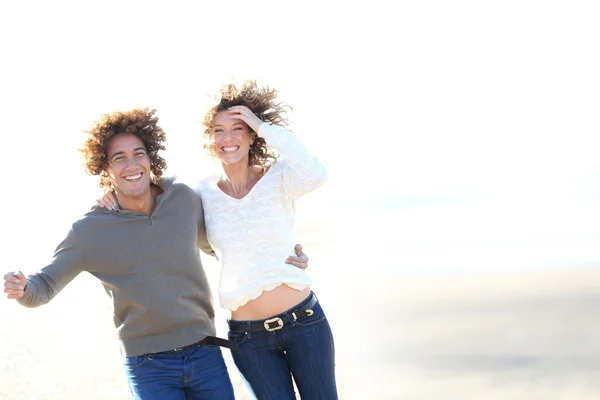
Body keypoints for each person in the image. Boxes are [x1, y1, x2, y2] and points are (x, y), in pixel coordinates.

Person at [3, 107, 309, 400]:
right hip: (148, 366)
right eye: (119, 158)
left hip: (206, 353)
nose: (131, 165)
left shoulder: (184, 200)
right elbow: (42, 287)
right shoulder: (90, 230)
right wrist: (23, 288)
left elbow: (226, 244)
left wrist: (283, 255)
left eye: (138, 154)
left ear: (151, 158)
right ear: (105, 167)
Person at [198, 80, 337, 399]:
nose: (228, 138)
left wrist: (263, 125)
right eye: (219, 130)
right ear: (210, 138)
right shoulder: (202, 194)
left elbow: (317, 173)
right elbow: (169, 218)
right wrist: (110, 192)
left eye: (238, 127)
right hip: (249, 340)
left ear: (252, 136)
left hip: (304, 324)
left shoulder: (280, 177)